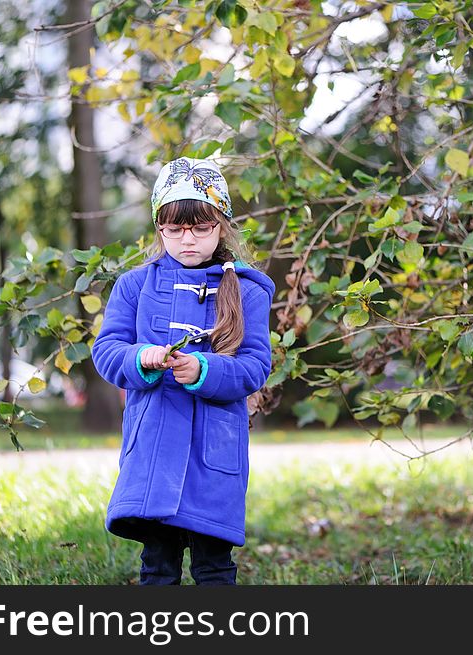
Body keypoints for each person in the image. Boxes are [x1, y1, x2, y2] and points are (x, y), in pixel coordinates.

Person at [91, 157, 276, 585]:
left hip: (215, 453)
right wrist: (141, 359)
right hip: (154, 447)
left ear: (222, 225)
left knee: (214, 567)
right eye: (174, 229)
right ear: (159, 228)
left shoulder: (247, 290)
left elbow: (254, 365)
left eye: (200, 227)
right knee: (157, 566)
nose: (186, 239)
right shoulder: (135, 286)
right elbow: (107, 350)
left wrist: (202, 370)